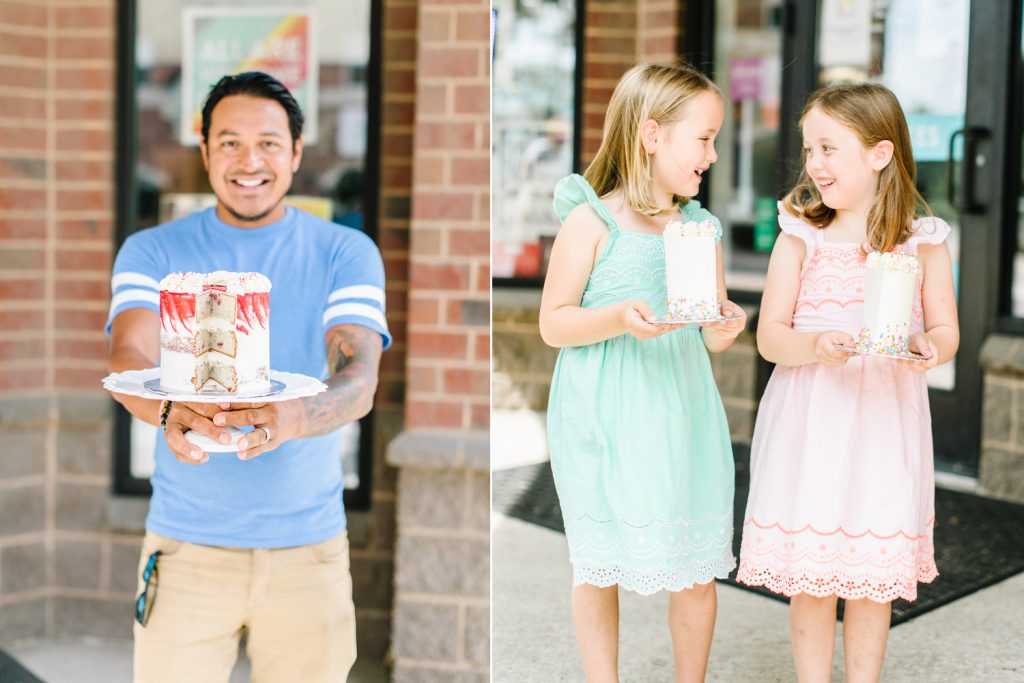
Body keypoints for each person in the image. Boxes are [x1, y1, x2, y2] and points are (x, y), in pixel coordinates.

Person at [105, 71, 390, 682]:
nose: (249, 160)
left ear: (296, 151)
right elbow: (130, 354)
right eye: (229, 141)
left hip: (308, 552)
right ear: (204, 149)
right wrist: (165, 410)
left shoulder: (346, 251)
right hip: (185, 551)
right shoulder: (151, 251)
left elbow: (358, 375)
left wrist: (295, 417)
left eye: (267, 142)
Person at [736, 82, 959, 681]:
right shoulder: (800, 237)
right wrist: (813, 345)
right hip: (813, 419)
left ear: (880, 154)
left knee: (870, 573)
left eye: (830, 148)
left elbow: (945, 328)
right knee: (814, 571)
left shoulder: (923, 243)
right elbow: (770, 337)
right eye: (810, 149)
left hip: (884, 422)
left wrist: (928, 346)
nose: (815, 164)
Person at [539, 63, 746, 682]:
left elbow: (708, 333)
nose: (711, 154)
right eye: (703, 138)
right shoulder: (591, 222)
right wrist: (617, 318)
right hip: (603, 412)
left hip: (681, 407)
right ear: (652, 135)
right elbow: (554, 323)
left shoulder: (700, 229)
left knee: (694, 566)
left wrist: (724, 327)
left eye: (714, 140)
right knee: (598, 565)